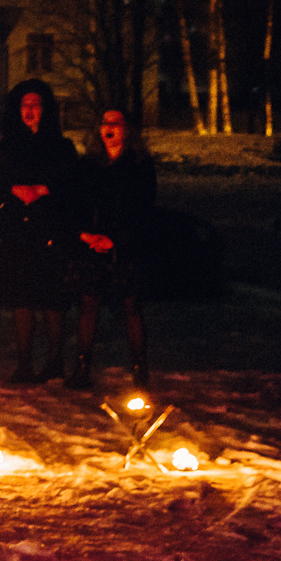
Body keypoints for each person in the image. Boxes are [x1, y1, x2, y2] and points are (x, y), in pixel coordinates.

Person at [0, 78, 78, 383]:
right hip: (17, 229)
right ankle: (24, 362)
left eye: (35, 105)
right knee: (22, 296)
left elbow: (70, 184)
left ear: (45, 109)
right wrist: (13, 190)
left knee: (51, 297)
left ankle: (55, 360)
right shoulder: (7, 146)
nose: (29, 110)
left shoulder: (61, 146)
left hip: (49, 228)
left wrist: (45, 188)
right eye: (24, 105)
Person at [70, 108, 156, 388]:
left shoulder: (140, 165)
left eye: (115, 123)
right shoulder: (89, 165)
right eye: (104, 122)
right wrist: (85, 234)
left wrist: (117, 239)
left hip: (124, 246)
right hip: (92, 245)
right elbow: (78, 202)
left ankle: (140, 368)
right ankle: (82, 366)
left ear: (126, 130)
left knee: (130, 305)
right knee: (88, 305)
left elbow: (143, 210)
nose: (109, 128)